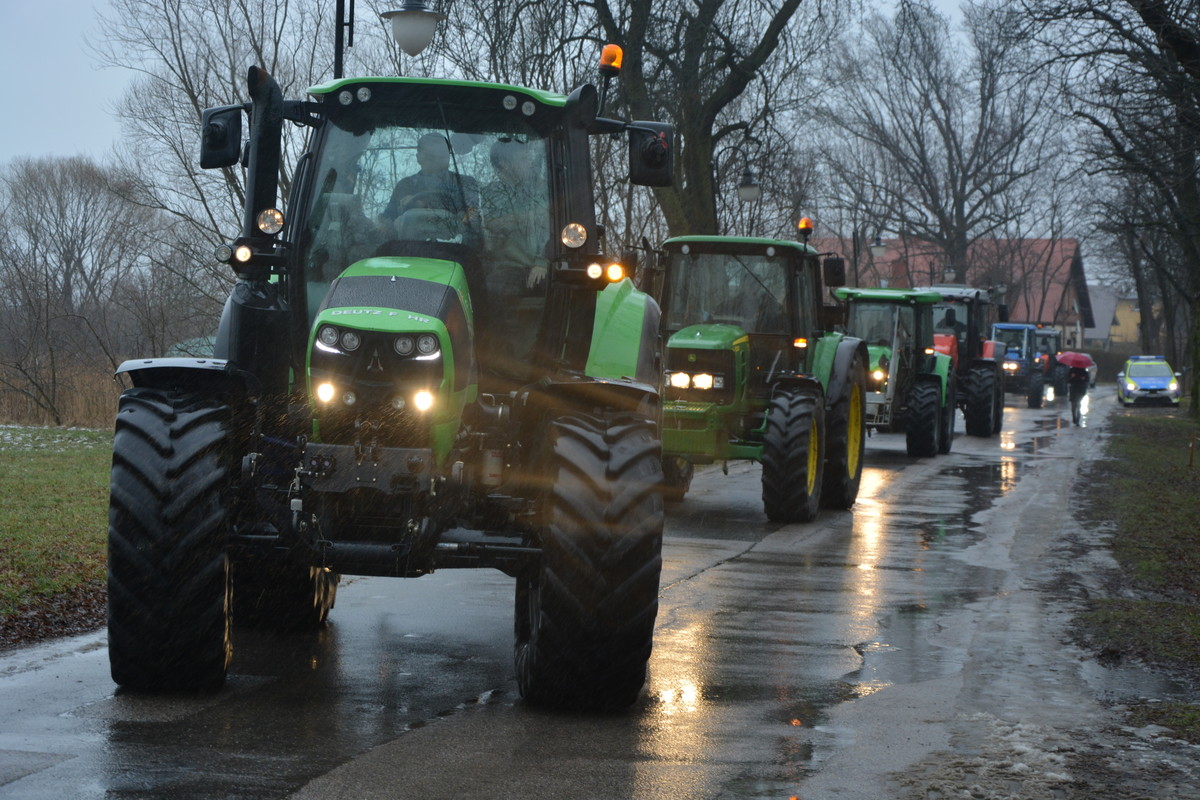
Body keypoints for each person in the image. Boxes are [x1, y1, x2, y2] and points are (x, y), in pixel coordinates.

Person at [382, 133, 481, 245]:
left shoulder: (465, 183)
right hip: (408, 250)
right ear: (418, 158)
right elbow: (386, 221)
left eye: (441, 156)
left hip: (456, 248)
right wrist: (395, 224)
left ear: (449, 157)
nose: (436, 161)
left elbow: (473, 213)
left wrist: (461, 223)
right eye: (430, 156)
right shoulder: (404, 186)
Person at [480, 139, 548, 297]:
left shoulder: (541, 191)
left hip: (545, 264)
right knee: (492, 289)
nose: (529, 164)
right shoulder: (492, 193)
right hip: (508, 267)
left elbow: (552, 227)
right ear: (505, 165)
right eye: (524, 160)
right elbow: (493, 223)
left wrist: (543, 262)